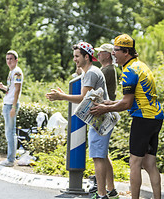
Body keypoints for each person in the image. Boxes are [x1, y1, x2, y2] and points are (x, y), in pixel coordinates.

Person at [90, 34, 164, 199]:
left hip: (143, 118)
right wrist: (109, 103)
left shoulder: (129, 71)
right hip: (155, 117)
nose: (114, 53)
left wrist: (103, 109)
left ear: (126, 52)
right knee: (150, 163)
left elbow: (127, 104)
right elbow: (129, 99)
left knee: (134, 163)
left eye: (116, 50)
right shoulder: (140, 65)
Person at [45, 42, 118, 199]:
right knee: (103, 154)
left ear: (87, 57)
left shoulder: (91, 73)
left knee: (98, 156)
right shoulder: (89, 72)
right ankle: (111, 191)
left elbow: (83, 98)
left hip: (99, 118)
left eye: (77, 56)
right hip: (102, 118)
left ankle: (101, 194)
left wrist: (61, 96)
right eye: (74, 56)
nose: (74, 60)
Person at [0, 50, 23, 167]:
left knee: (10, 132)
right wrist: (3, 87)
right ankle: (10, 158)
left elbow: (17, 90)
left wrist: (14, 106)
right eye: (7, 59)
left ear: (16, 60)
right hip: (8, 103)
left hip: (11, 105)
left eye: (11, 59)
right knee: (9, 132)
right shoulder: (12, 72)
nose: (9, 61)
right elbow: (11, 89)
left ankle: (10, 160)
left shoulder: (17, 72)